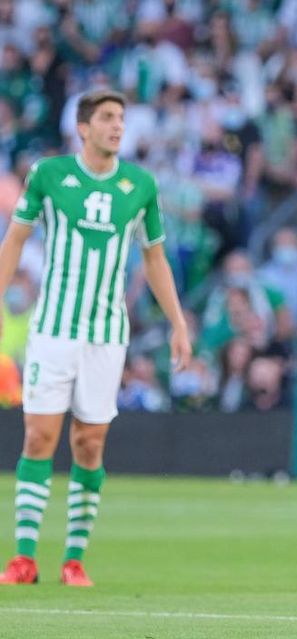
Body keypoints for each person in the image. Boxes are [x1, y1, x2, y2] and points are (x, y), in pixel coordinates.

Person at [0, 90, 191, 587]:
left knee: (89, 444)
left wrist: (178, 322)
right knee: (40, 436)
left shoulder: (140, 185)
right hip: (53, 329)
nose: (117, 127)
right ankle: (23, 558)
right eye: (107, 118)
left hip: (107, 336)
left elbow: (154, 258)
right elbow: (16, 238)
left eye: (121, 119)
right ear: (83, 127)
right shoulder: (49, 174)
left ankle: (74, 559)